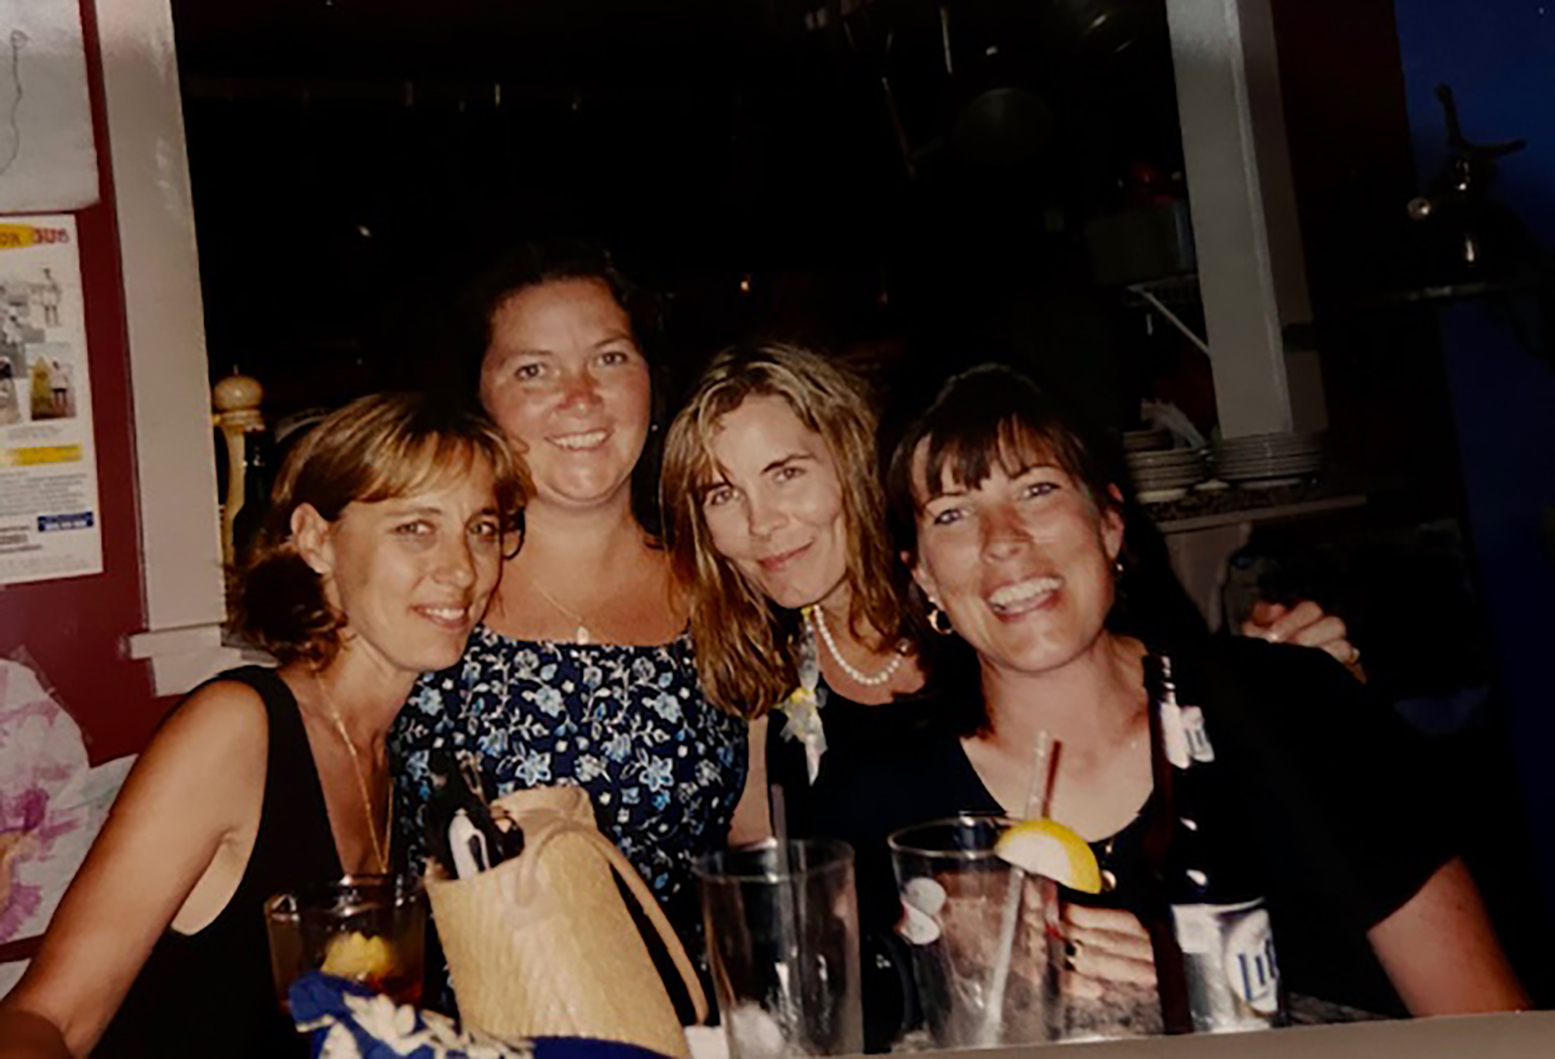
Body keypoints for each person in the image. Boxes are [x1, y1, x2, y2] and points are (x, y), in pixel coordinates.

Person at [822, 362, 1526, 1037]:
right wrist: (940, 970)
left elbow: (1490, 1028)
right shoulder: (889, 811)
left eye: (1037, 489)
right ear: (924, 577)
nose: (1003, 541)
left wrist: (1216, 991)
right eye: (951, 514)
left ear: (1109, 522)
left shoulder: (1294, 711)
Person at [0, 392, 526, 1058]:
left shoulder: (399, 752)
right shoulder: (236, 730)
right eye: (416, 528)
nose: (462, 568)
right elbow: (46, 1017)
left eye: (481, 528)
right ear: (316, 540)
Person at [660, 342, 1359, 837]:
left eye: (785, 473)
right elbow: (777, 876)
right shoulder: (765, 671)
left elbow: (1189, 703)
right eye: (721, 494)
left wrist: (1294, 679)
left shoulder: (1003, 602)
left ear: (851, 461)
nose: (761, 523)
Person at [389, 241, 749, 951]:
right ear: (480, 401)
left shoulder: (728, 586)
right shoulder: (429, 595)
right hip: (465, 1009)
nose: (580, 396)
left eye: (609, 358)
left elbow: (760, 845)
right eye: (533, 369)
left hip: (683, 1007)